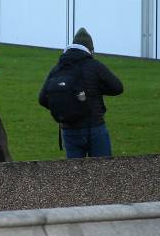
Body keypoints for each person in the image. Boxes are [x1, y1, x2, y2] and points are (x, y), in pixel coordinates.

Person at [38, 28, 124, 158]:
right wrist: (96, 89)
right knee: (103, 172)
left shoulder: (58, 68)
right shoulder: (94, 66)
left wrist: (64, 105)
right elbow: (118, 87)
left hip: (68, 129)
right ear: (90, 49)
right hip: (94, 126)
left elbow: (42, 99)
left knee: (75, 174)